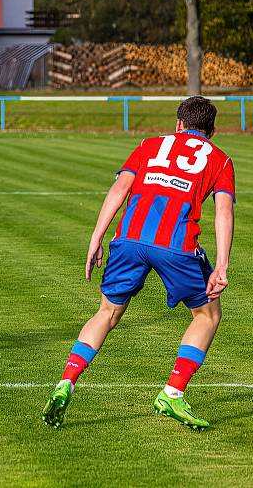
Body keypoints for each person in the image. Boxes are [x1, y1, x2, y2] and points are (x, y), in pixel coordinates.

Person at [42, 96, 235, 430]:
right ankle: (172, 393)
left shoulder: (150, 144)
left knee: (106, 312)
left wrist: (96, 237)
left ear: (178, 123)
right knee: (207, 314)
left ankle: (67, 381)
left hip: (128, 239)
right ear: (212, 131)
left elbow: (120, 188)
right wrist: (222, 265)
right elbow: (223, 210)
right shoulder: (220, 160)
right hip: (176, 245)